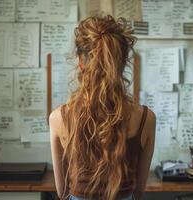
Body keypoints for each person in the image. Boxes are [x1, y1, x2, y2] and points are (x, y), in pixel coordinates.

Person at [50, 15, 156, 200]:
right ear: (122, 64)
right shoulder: (146, 118)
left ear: (80, 63)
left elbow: (62, 191)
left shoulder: (59, 117)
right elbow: (138, 191)